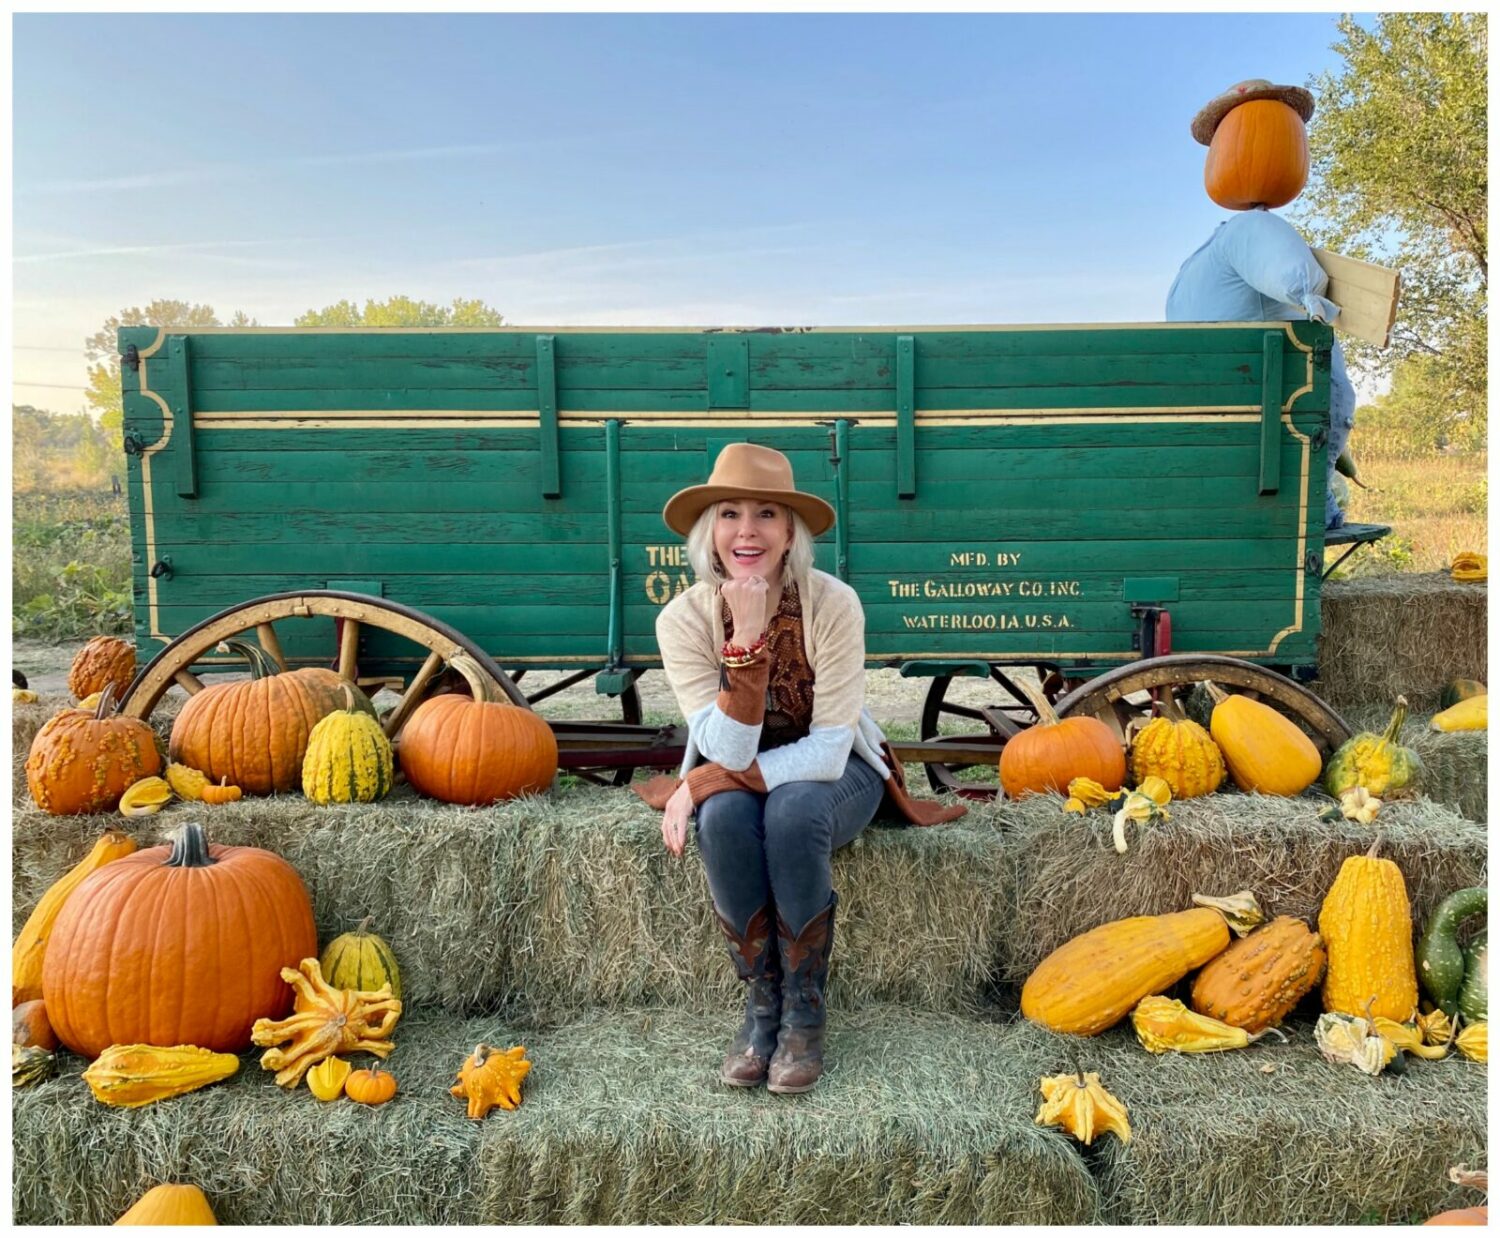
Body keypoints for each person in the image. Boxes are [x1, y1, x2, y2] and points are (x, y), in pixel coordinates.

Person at [634, 442, 964, 1095]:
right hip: (746, 774)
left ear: (791, 533)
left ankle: (806, 1013)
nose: (746, 530)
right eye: (728, 514)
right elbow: (727, 751)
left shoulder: (834, 604)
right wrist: (748, 641)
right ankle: (763, 1008)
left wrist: (696, 781)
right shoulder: (681, 620)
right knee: (724, 816)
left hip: (840, 777)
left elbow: (827, 751)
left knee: (791, 810)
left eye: (766, 514)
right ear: (710, 532)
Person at [1165, 78, 1356, 530]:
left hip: (1224, 443)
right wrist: (1320, 304)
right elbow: (1296, 277)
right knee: (1323, 502)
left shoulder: (1190, 271)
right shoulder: (1251, 231)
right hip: (1273, 443)